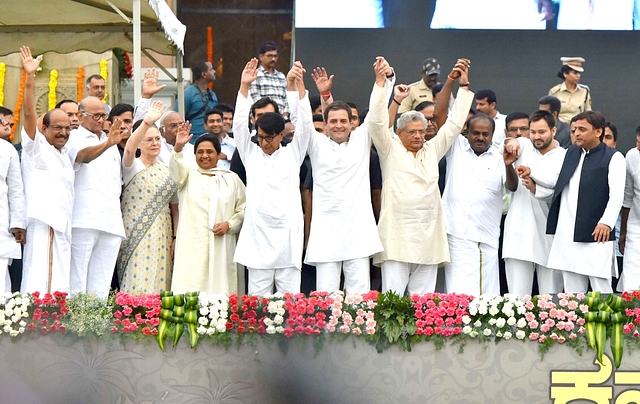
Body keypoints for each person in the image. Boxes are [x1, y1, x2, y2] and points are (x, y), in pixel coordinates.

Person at [368, 58, 473, 295]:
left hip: (428, 238)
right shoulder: (390, 149)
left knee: (423, 302)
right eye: (412, 132)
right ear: (399, 132)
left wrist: (463, 87)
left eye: (421, 132)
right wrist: (380, 84)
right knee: (393, 302)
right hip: (396, 236)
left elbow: (455, 124)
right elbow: (376, 122)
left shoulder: (432, 149)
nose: (418, 136)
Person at [287, 60, 393, 294]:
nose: (338, 126)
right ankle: (328, 333)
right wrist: (299, 87)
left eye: (343, 121)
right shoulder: (316, 143)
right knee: (326, 296)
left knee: (359, 296)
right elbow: (302, 121)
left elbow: (377, 114)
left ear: (352, 123)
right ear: (324, 125)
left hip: (357, 231)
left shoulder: (362, 140)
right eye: (333, 121)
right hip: (326, 232)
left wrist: (380, 81)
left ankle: (360, 333)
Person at [233, 58, 311, 296]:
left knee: (290, 302)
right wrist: (244, 87)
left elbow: (304, 124)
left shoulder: (293, 153)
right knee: (257, 303)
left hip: (287, 237)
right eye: (260, 137)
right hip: (258, 238)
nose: (264, 143)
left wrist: (297, 86)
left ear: (281, 135)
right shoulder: (251, 153)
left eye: (269, 138)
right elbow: (238, 126)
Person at [534, 111, 624, 293]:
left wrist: (606, 223)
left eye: (582, 129)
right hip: (567, 232)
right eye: (574, 130)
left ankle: (605, 322)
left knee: (601, 287)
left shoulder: (614, 157)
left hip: (597, 232)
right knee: (573, 292)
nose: (576, 134)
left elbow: (617, 195)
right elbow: (557, 180)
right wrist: (531, 173)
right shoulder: (572, 152)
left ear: (598, 132)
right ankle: (575, 322)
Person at [19, 46, 73, 294]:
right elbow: (29, 113)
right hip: (44, 223)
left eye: (67, 128)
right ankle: (37, 324)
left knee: (60, 283)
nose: (63, 132)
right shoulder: (36, 148)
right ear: (44, 129)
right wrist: (29, 77)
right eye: (58, 128)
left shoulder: (64, 155)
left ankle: (56, 326)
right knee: (42, 282)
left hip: (62, 225)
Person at [170, 127, 246, 295]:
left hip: (222, 243)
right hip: (192, 244)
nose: (205, 155)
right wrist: (178, 148)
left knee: (221, 287)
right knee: (191, 286)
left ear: (219, 155)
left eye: (210, 152)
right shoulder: (187, 176)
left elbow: (244, 207)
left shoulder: (231, 179)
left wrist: (229, 224)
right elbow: (175, 171)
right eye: (200, 152)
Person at [67, 96, 127, 298]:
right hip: (85, 218)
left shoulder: (109, 139)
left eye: (103, 115)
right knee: (77, 279)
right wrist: (109, 143)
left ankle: (96, 327)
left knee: (101, 284)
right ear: (80, 116)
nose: (100, 120)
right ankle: (74, 327)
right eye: (96, 116)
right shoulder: (74, 136)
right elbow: (82, 157)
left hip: (111, 220)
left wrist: (109, 141)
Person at [116, 101, 177, 294]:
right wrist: (147, 122)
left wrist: (175, 237)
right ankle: (131, 321)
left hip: (163, 233)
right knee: (135, 281)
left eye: (157, 139)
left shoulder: (169, 170)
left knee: (160, 281)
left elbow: (175, 208)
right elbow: (128, 149)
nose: (154, 143)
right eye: (148, 139)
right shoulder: (132, 166)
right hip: (134, 233)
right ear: (139, 142)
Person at [502, 110, 565, 298]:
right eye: (533, 131)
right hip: (519, 234)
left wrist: (533, 180)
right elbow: (511, 186)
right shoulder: (523, 145)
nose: (536, 137)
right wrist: (509, 146)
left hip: (550, 237)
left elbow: (555, 185)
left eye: (542, 132)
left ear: (553, 131)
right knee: (517, 300)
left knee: (551, 303)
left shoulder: (564, 156)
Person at [442, 112, 506, 297]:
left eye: (485, 134)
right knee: (456, 290)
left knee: (485, 296)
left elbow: (512, 186)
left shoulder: (500, 157)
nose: (480, 137)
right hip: (455, 233)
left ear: (493, 135)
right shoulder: (456, 148)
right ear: (466, 132)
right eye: (475, 133)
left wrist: (509, 165)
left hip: (484, 237)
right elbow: (440, 117)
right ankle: (456, 326)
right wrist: (456, 84)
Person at [620, 125, 640, 291]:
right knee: (631, 282)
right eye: (637, 142)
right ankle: (632, 316)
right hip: (636, 225)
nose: (639, 147)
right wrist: (624, 233)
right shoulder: (632, 156)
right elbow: (627, 197)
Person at [248, 41, 289, 115]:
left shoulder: (281, 77)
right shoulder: (255, 75)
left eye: (275, 56)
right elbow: (255, 99)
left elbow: (287, 99)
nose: (273, 59)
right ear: (261, 57)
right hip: (262, 118)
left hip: (281, 119)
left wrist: (285, 115)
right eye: (270, 56)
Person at [549, 57, 591, 124]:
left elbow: (588, 112)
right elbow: (550, 114)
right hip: (560, 128)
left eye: (579, 73)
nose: (578, 76)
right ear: (565, 74)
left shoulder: (584, 91)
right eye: (575, 73)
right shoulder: (555, 91)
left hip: (578, 127)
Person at [183, 60, 218, 141]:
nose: (214, 71)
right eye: (211, 69)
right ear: (204, 74)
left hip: (211, 141)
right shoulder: (188, 93)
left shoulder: (212, 95)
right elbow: (178, 117)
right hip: (192, 143)